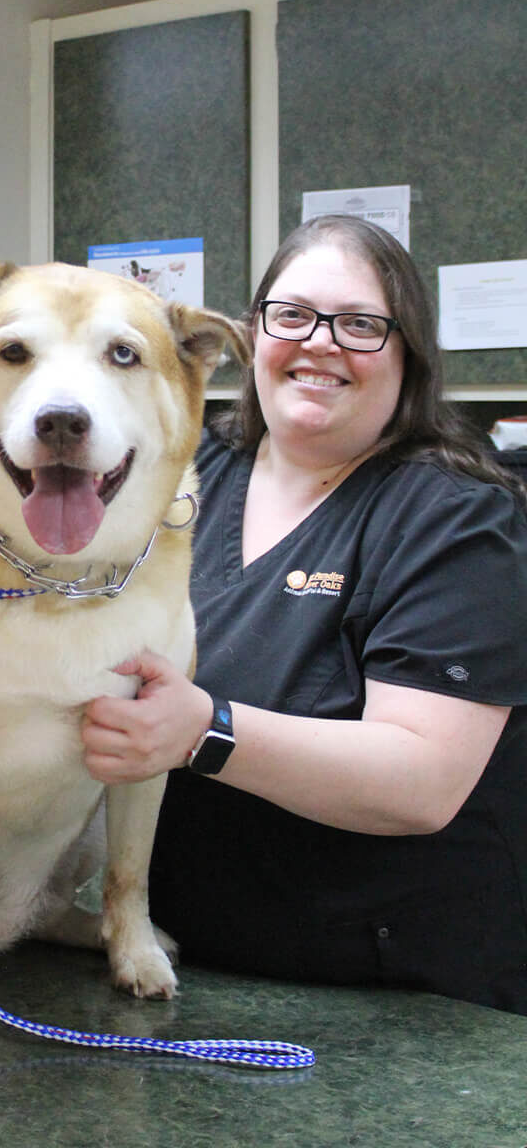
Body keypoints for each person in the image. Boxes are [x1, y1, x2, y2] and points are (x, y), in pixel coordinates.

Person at [81, 215, 527, 1014]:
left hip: (391, 997)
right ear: (255, 336)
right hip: (178, 967)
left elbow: (422, 781)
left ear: (409, 354)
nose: (320, 343)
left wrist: (202, 731)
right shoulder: (190, 471)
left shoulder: (455, 517)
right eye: (293, 316)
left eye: (360, 325)